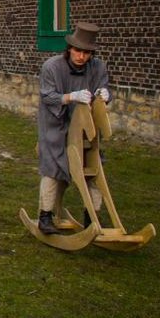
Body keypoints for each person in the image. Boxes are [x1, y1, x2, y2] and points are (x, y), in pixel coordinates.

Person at [35, 22, 111, 234]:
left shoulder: (98, 67)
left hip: (85, 129)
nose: (81, 57)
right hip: (55, 124)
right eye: (78, 51)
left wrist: (105, 95)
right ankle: (45, 217)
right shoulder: (52, 67)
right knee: (53, 168)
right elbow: (47, 96)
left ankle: (91, 217)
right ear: (69, 49)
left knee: (93, 169)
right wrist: (70, 97)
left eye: (86, 53)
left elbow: (104, 88)